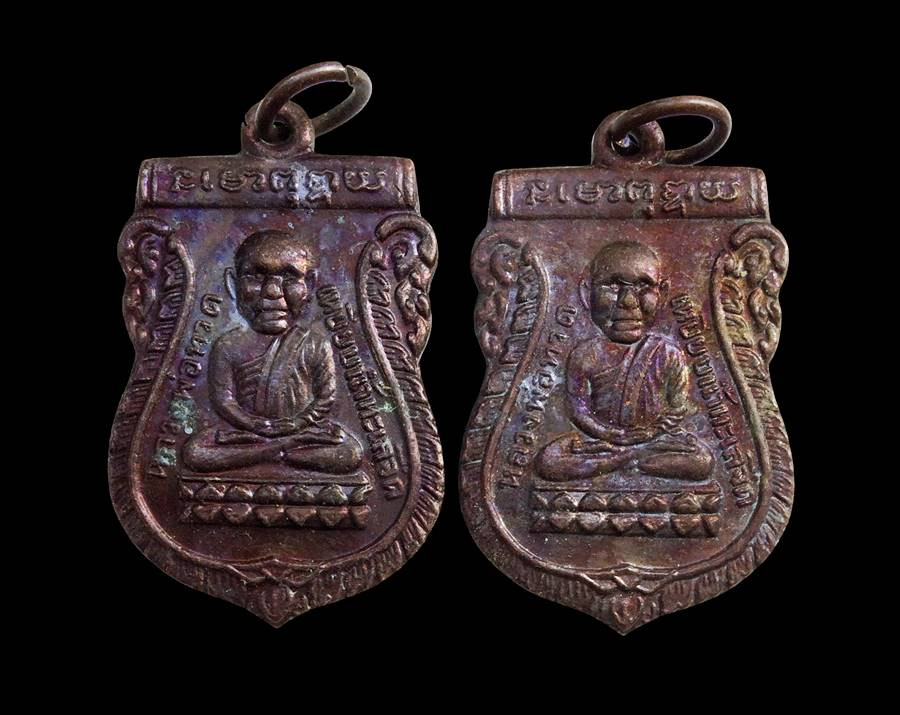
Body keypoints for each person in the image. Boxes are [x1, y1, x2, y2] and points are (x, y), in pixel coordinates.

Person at [183, 230, 363, 474]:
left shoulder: (315, 344)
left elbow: (325, 398)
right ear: (233, 284)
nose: (272, 291)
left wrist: (297, 424)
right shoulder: (228, 345)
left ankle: (272, 452)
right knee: (195, 452)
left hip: (301, 432)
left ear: (309, 285)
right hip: (248, 434)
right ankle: (280, 451)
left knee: (350, 453)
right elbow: (224, 401)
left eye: (289, 277)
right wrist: (254, 425)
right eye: (256, 276)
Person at [535, 240, 713, 482]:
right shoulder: (585, 354)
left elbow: (677, 407)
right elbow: (579, 411)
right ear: (587, 294)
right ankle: (627, 460)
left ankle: (622, 461)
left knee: (702, 460)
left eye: (643, 286)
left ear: (662, 294)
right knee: (549, 461)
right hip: (601, 442)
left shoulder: (668, 353)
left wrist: (652, 433)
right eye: (613, 285)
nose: (628, 301)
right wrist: (613, 435)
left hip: (654, 441)